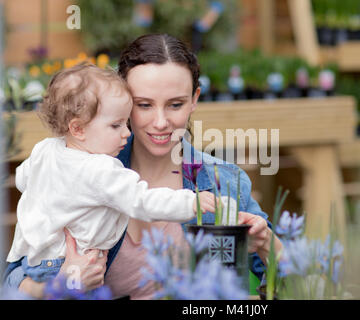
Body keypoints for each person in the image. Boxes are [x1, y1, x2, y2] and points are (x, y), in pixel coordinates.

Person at [3, 34, 283, 299]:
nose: (160, 122)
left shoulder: (225, 181)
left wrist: (266, 244)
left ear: (195, 99)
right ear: (121, 101)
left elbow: (297, 282)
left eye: (175, 104)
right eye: (144, 105)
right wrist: (58, 284)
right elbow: (12, 280)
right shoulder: (78, 172)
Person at [5, 63, 216, 285]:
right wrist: (191, 202)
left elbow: (22, 179)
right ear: (78, 128)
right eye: (115, 126)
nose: (126, 133)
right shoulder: (102, 169)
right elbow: (142, 200)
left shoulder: (45, 149)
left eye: (125, 123)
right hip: (73, 263)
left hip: (35, 262)